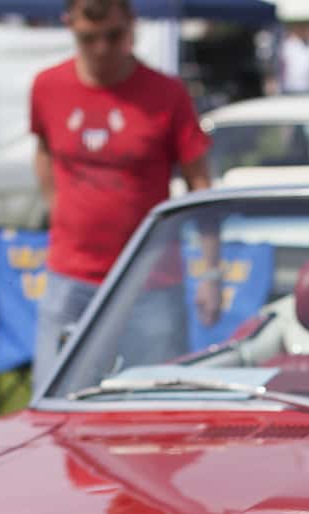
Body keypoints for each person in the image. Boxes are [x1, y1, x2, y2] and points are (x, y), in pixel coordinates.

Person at [26, 0, 217, 397]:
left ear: (132, 25)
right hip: (71, 278)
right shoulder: (48, 87)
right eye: (88, 38)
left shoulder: (166, 94)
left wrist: (211, 273)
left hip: (150, 281)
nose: (102, 49)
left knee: (158, 403)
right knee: (55, 400)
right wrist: (56, 207)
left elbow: (200, 182)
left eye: (114, 36)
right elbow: (44, 150)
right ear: (70, 25)